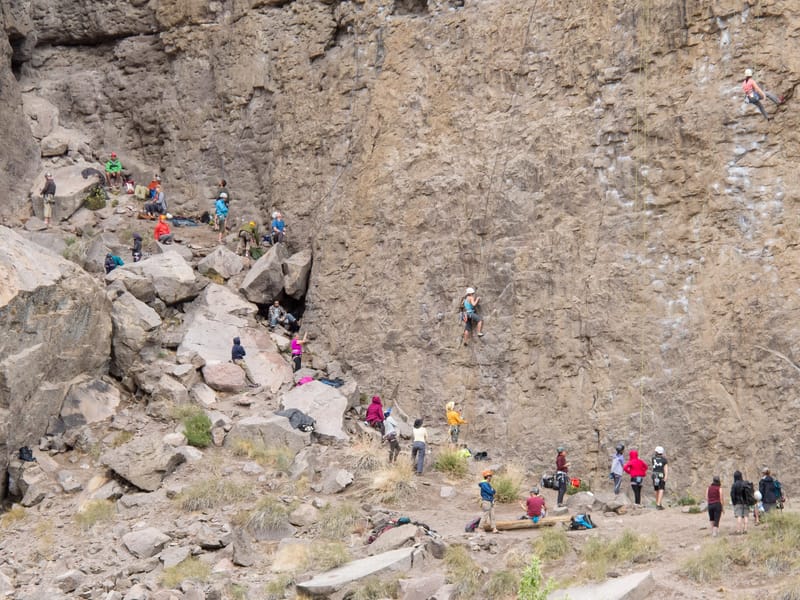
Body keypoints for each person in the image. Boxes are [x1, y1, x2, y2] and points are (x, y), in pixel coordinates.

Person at [730, 470, 750, 535]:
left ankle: (738, 530)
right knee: (746, 516)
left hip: (738, 502)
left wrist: (734, 502)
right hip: (746, 502)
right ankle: (745, 529)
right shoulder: (745, 483)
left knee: (739, 516)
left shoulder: (734, 485)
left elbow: (732, 494)